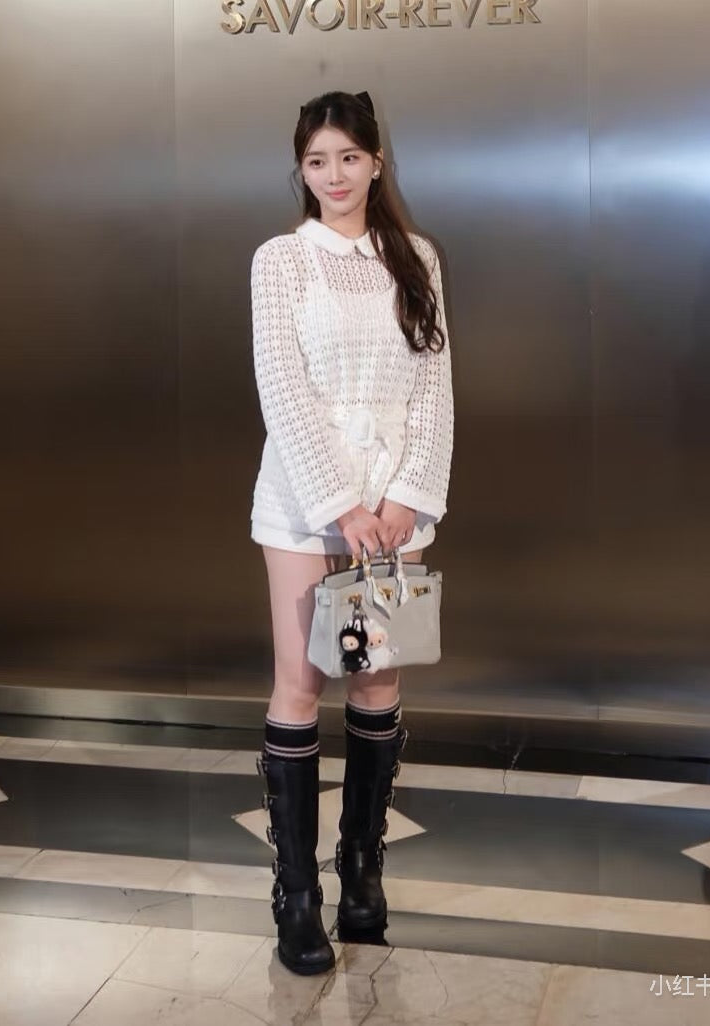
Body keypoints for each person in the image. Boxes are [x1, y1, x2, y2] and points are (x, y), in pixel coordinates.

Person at [248, 89, 454, 975]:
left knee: (375, 681)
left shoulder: (417, 256)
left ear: (376, 163)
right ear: (302, 170)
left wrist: (404, 498)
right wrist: (343, 506)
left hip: (394, 509)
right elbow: (282, 389)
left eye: (349, 158)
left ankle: (362, 871)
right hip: (305, 504)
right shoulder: (281, 260)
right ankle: (297, 894)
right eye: (316, 161)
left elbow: (435, 386)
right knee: (301, 683)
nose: (333, 175)